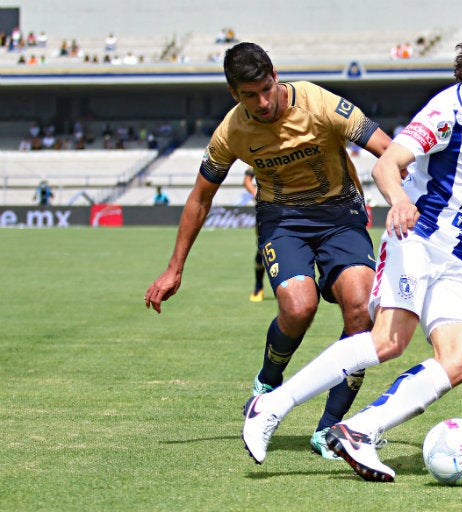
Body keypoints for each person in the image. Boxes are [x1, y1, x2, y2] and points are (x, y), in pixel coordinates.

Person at [241, 23, 462, 482]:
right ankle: (270, 406)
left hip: (452, 257)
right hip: (415, 238)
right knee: (389, 342)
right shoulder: (445, 111)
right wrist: (400, 199)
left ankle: (359, 431)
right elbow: (386, 164)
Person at [144, 42, 392, 459]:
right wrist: (174, 268)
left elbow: (387, 149)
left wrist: (407, 198)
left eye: (266, 88)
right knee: (298, 307)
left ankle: (331, 429)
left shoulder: (320, 103)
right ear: (233, 93)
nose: (262, 102)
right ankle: (267, 383)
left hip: (340, 215)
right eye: (249, 95)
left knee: (361, 310)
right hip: (283, 220)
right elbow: (200, 198)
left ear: (275, 75)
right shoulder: (231, 132)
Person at [242, 167, 266, 302]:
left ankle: (285, 287)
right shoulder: (262, 153)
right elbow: (246, 180)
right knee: (262, 248)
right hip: (266, 210)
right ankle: (258, 286)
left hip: (290, 209)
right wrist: (255, 193)